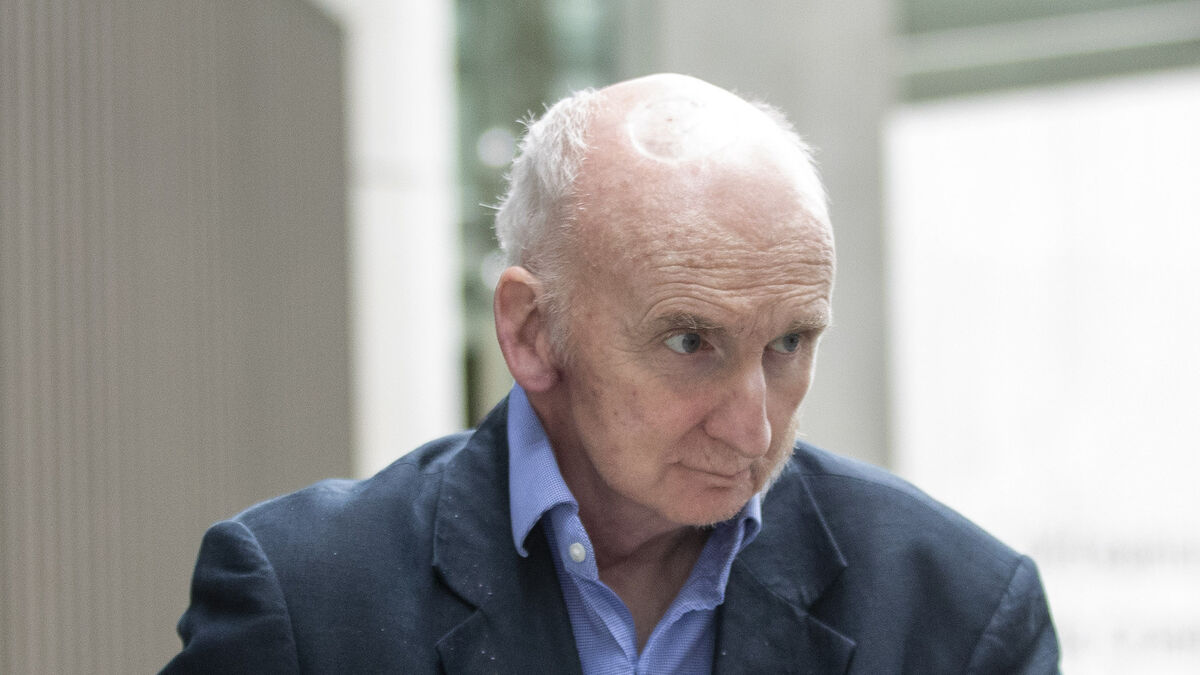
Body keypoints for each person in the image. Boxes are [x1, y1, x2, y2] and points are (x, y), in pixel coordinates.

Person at [162, 73, 1059, 673]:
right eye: (691, 341)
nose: (753, 428)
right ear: (531, 331)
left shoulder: (959, 614)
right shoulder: (308, 603)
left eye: (788, 343)